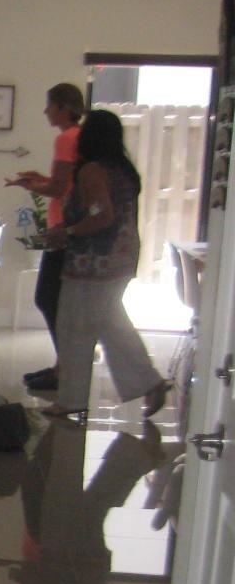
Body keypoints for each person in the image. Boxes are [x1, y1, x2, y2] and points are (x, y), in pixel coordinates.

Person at [41, 109, 169, 420]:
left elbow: (102, 216)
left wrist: (65, 232)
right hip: (121, 257)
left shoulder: (93, 171)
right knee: (111, 324)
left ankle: (72, 399)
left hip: (93, 261)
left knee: (75, 328)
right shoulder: (123, 170)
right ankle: (149, 382)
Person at [5, 83, 86, 391]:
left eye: (49, 105)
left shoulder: (66, 138)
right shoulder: (78, 138)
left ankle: (66, 367)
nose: (45, 112)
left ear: (63, 107)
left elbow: (58, 189)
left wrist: (31, 186)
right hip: (66, 228)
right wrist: (38, 179)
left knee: (48, 298)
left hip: (62, 230)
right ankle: (62, 366)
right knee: (55, 300)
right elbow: (65, 183)